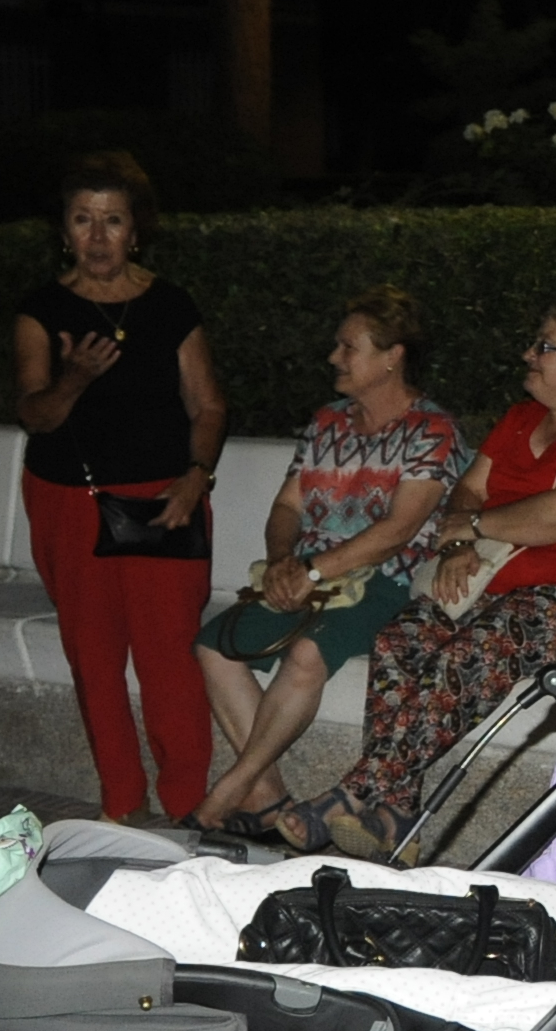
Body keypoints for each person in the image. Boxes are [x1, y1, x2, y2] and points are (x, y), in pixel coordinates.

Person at [266, 301, 556, 858]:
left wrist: (474, 527)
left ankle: (352, 793)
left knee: (469, 651)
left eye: (544, 347)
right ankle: (396, 817)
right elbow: (468, 490)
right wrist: (458, 543)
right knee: (399, 638)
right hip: (484, 587)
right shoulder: (519, 419)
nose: (527, 355)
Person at [189, 287, 464, 836]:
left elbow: (399, 530)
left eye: (348, 347)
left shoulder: (431, 431)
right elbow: (287, 507)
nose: (334, 357)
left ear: (393, 356)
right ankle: (267, 799)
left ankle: (230, 789)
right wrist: (281, 561)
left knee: (308, 653)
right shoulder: (328, 422)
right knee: (215, 645)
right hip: (309, 574)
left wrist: (311, 571)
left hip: (388, 580)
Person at [12, 153, 228, 823]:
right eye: (84, 220)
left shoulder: (170, 305)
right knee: (96, 660)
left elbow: (209, 406)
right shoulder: (42, 310)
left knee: (170, 659)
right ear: (65, 232)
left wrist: (195, 477)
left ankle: (187, 806)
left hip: (164, 500)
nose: (99, 236)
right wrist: (75, 378)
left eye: (113, 220)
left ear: (136, 231)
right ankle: (120, 803)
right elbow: (36, 414)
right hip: (71, 502)